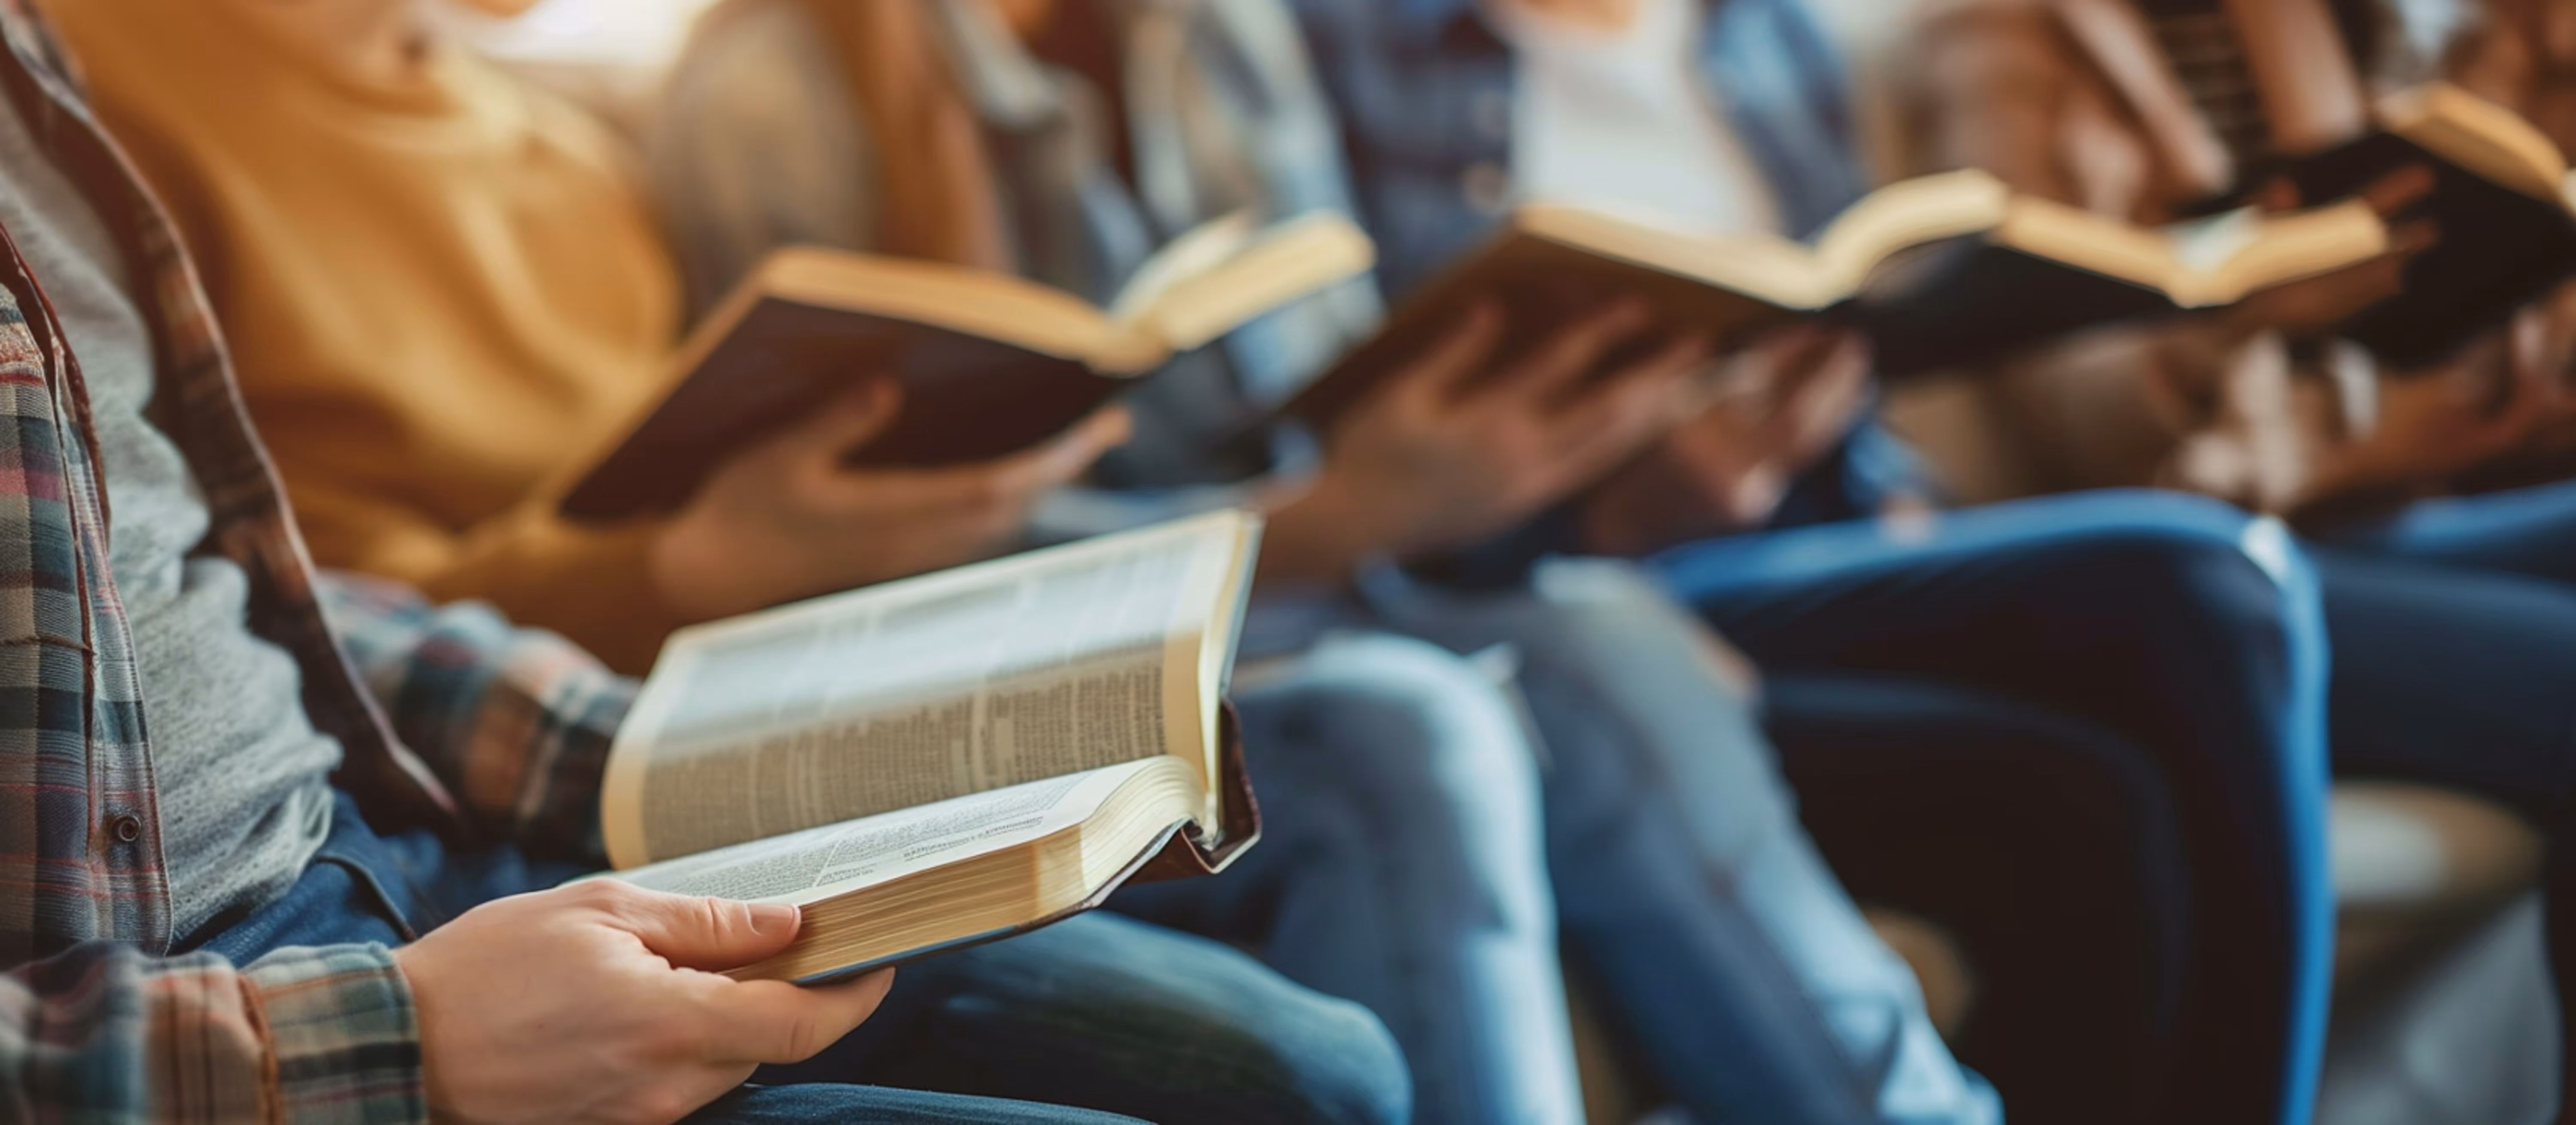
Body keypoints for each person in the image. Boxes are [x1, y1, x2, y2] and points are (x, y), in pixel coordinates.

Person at [651, 3, 2240, 1124]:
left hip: (1295, 580)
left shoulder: (1207, 31)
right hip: (1023, 664)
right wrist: (1342, 516)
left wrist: (1462, 474)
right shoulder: (770, 99)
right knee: (1446, 707)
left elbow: (1319, 380)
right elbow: (846, 576)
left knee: (1606, 628)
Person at [36, 2, 1592, 1124]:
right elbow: (336, 558)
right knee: (1444, 720)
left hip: (543, 738)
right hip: (361, 883)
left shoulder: (516, 131)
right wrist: (684, 573)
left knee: (1336, 1032)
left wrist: (634, 733)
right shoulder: (149, 92)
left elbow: (232, 592)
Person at [1270, 1, 2344, 1123]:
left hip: (1799, 530)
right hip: (1551, 575)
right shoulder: (1355, 41)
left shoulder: (1760, 31)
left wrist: (1875, 476)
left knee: (2196, 628)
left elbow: (1846, 314)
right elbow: (1362, 452)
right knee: (2171, 612)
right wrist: (1628, 511)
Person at [1893, 0, 2576, 1117]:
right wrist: (2229, 323)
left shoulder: (2371, 34)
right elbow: (2060, 409)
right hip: (2174, 534)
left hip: (2364, 508)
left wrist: (2449, 432)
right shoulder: (2022, 33)